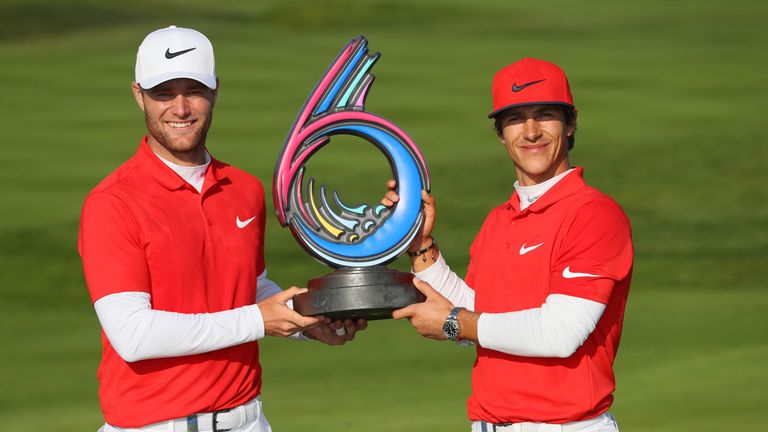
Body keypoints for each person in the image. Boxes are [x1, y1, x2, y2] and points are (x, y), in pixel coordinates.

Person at [78, 26, 366, 432]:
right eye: (163, 93)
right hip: (152, 425)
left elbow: (249, 287)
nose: (180, 108)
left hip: (248, 419)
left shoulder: (243, 189)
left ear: (215, 90)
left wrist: (309, 318)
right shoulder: (112, 203)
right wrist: (258, 321)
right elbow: (134, 335)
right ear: (138, 95)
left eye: (193, 89)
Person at [389, 58, 633, 431]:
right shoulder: (499, 220)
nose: (531, 131)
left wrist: (455, 323)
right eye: (516, 118)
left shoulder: (594, 214)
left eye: (545, 114)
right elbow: (478, 313)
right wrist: (421, 244)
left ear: (570, 124)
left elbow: (561, 333)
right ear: (501, 132)